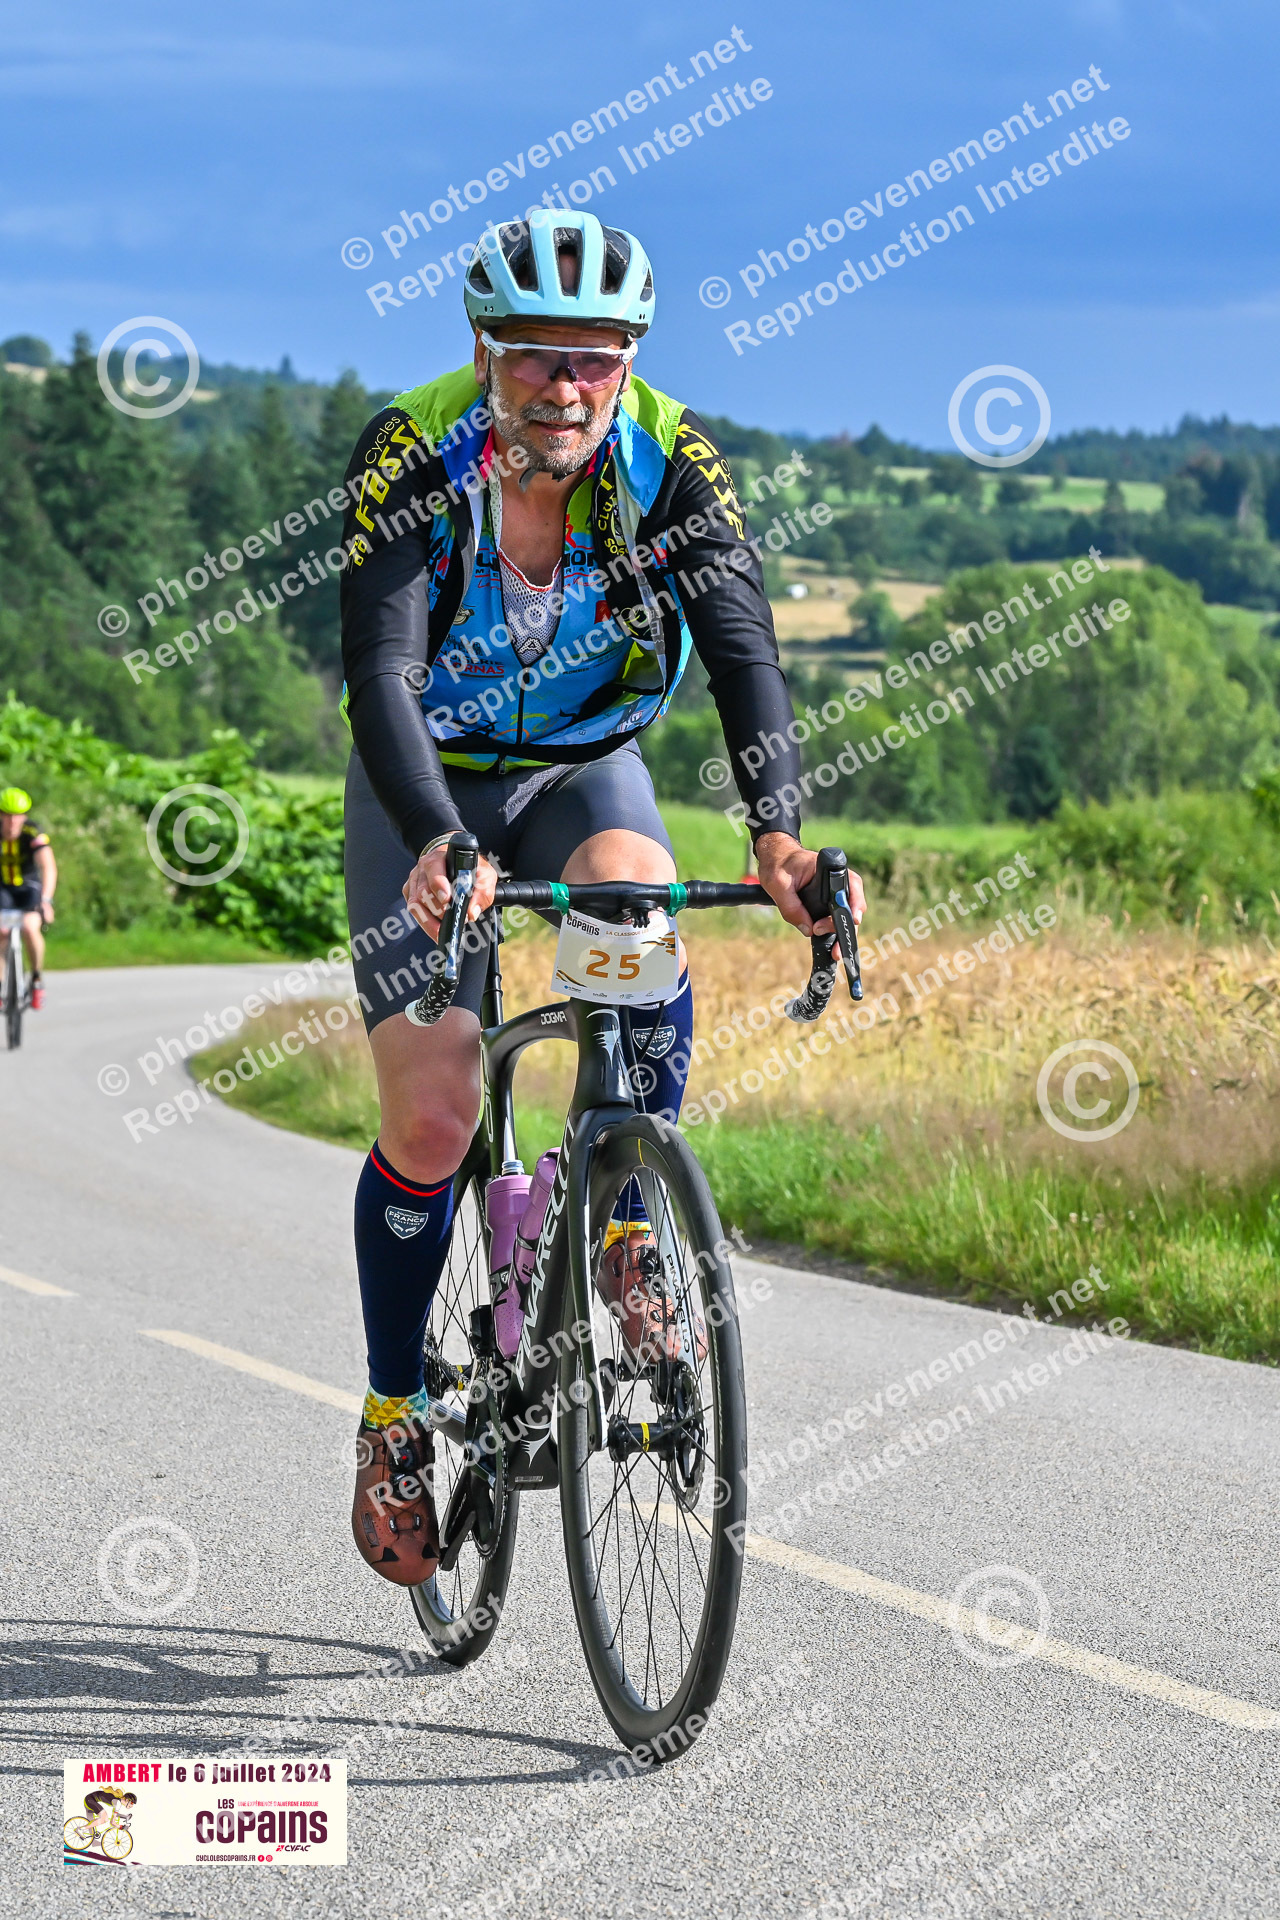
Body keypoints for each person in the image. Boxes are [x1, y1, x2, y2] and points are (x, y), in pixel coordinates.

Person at [339, 208, 864, 1585]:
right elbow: (381, 667)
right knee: (436, 1111)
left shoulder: (672, 464)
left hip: (583, 765)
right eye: (533, 357)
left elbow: (743, 650)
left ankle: (627, 1217)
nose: (563, 388)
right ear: (483, 352)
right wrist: (434, 836)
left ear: (628, 361)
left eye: (594, 359)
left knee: (632, 901)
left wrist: (779, 837)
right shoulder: (411, 452)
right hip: (424, 783)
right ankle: (393, 1416)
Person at [0, 787, 55, 1010]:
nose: (12, 821)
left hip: (28, 888)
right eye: (7, 815)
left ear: (25, 816)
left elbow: (48, 867)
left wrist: (46, 901)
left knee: (31, 928)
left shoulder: (33, 833)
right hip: (3, 888)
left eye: (17, 816)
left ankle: (36, 978)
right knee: (1, 931)